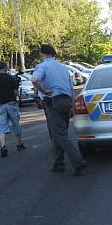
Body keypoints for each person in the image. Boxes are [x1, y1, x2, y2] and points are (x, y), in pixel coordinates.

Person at [31, 44, 87, 175]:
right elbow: (71, 88)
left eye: (40, 53)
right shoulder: (63, 68)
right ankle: (58, 164)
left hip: (53, 102)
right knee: (60, 134)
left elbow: (34, 79)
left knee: (59, 135)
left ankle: (79, 162)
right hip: (66, 102)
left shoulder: (43, 66)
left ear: (43, 53)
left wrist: (43, 90)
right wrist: (72, 105)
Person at [0, 62, 24, 157]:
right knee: (15, 124)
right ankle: (19, 144)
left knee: (1, 126)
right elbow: (16, 93)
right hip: (11, 103)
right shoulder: (10, 78)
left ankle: (3, 146)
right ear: (5, 68)